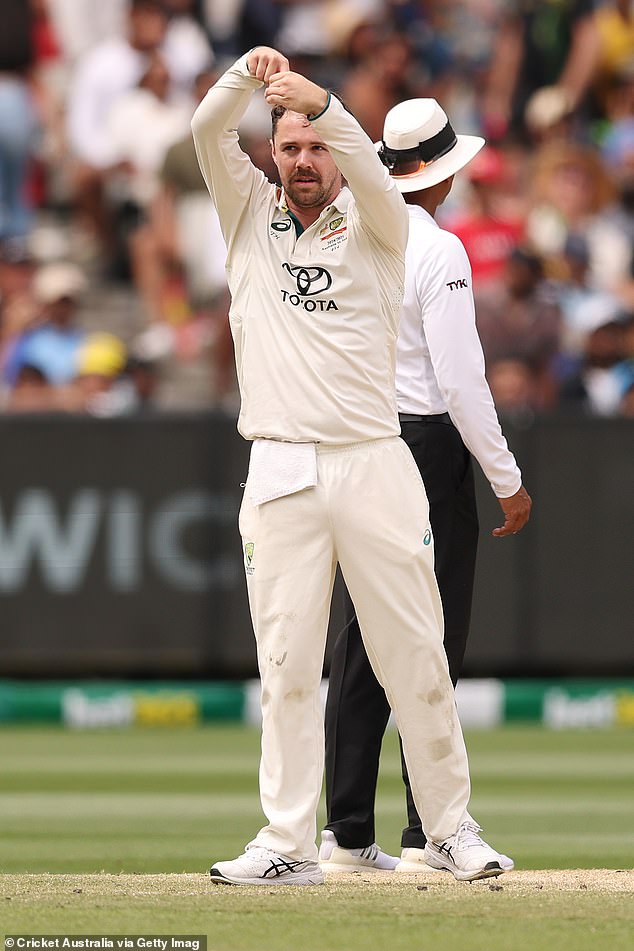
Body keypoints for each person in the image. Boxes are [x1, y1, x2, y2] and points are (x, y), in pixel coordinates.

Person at [191, 46, 511, 888]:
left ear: (341, 150)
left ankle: (447, 828)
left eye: (316, 146)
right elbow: (204, 129)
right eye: (287, 146)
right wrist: (249, 78)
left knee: (416, 653)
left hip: (374, 457)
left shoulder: (383, 221)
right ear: (271, 152)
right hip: (281, 466)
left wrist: (324, 101)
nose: (301, 161)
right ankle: (288, 842)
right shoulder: (245, 214)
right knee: (289, 663)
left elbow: (369, 165)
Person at [318, 98, 532, 876]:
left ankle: (344, 833)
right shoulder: (438, 249)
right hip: (425, 446)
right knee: (430, 638)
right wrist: (506, 479)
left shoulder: (349, 236)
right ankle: (428, 830)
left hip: (356, 439)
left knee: (358, 637)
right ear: (440, 176)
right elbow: (461, 381)